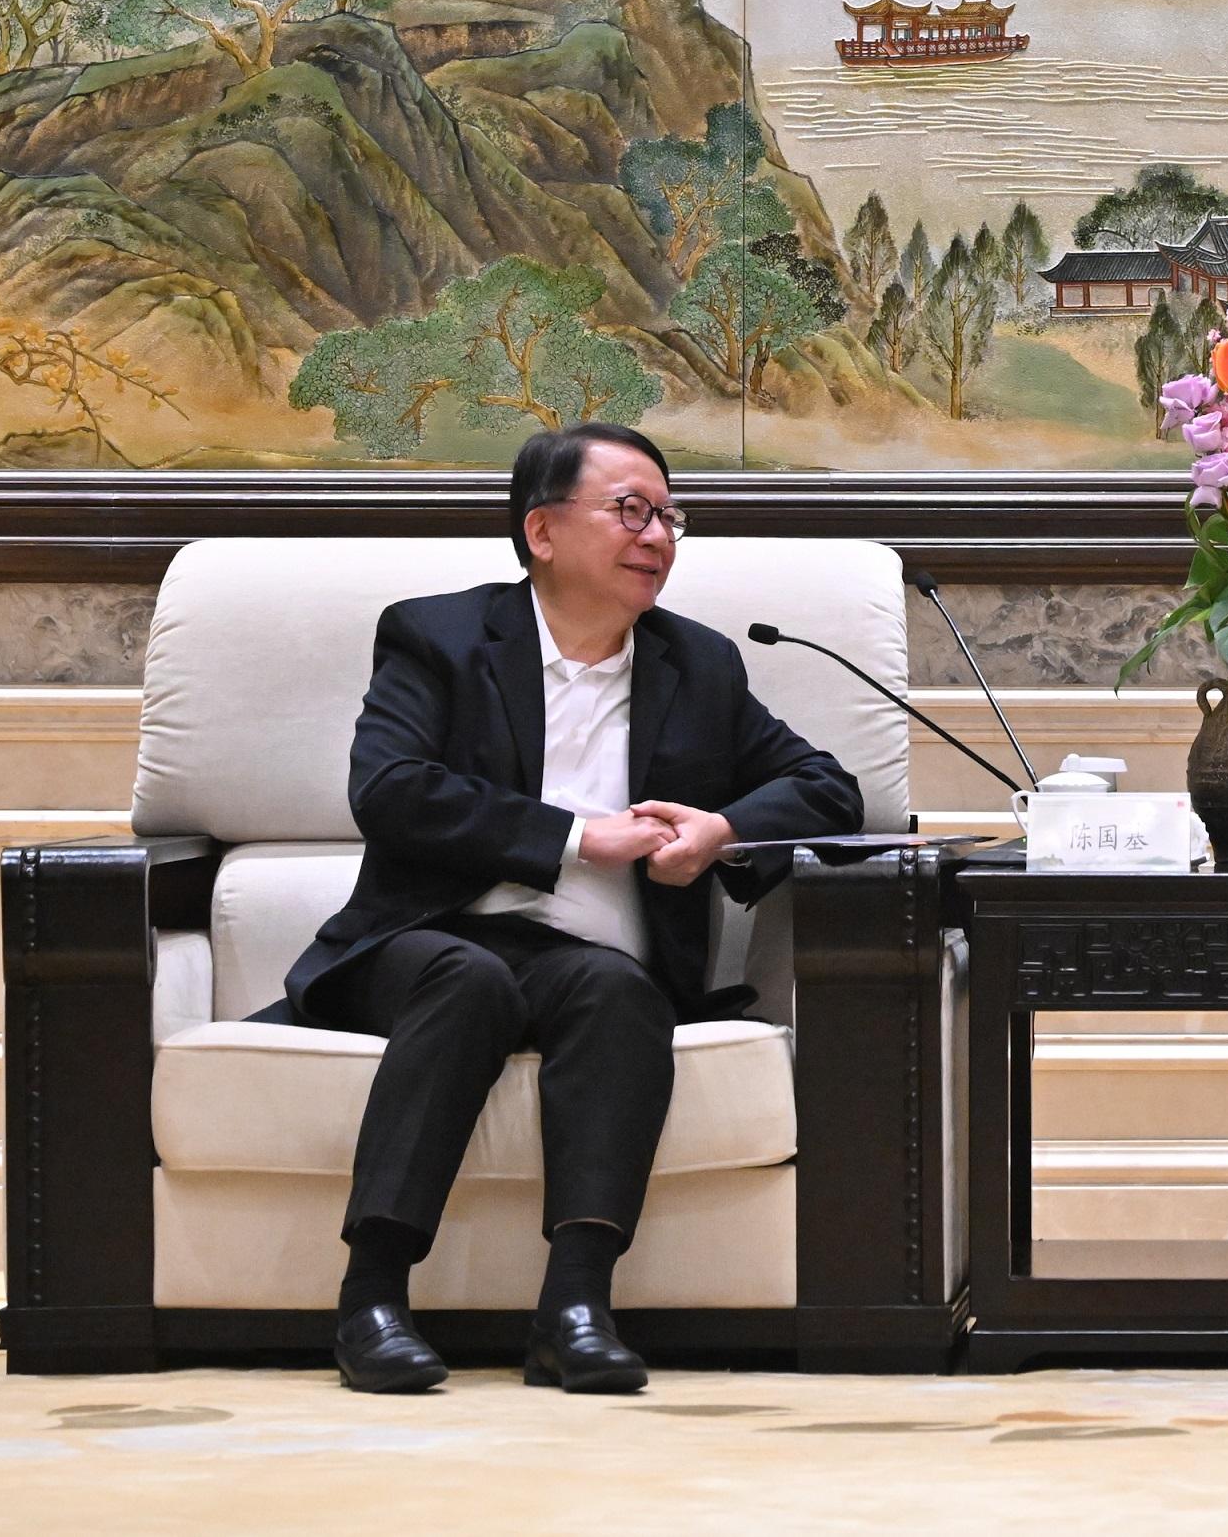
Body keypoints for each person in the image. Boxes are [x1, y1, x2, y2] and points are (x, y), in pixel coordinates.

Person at [266, 422, 864, 1396]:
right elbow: (391, 788)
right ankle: (370, 1295)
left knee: (616, 989)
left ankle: (575, 1307)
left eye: (671, 515)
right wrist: (577, 837)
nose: (658, 535)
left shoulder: (694, 665)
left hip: (585, 960)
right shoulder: (441, 636)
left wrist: (717, 829)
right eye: (631, 510)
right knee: (469, 978)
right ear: (542, 531)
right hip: (426, 941)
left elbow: (826, 788)